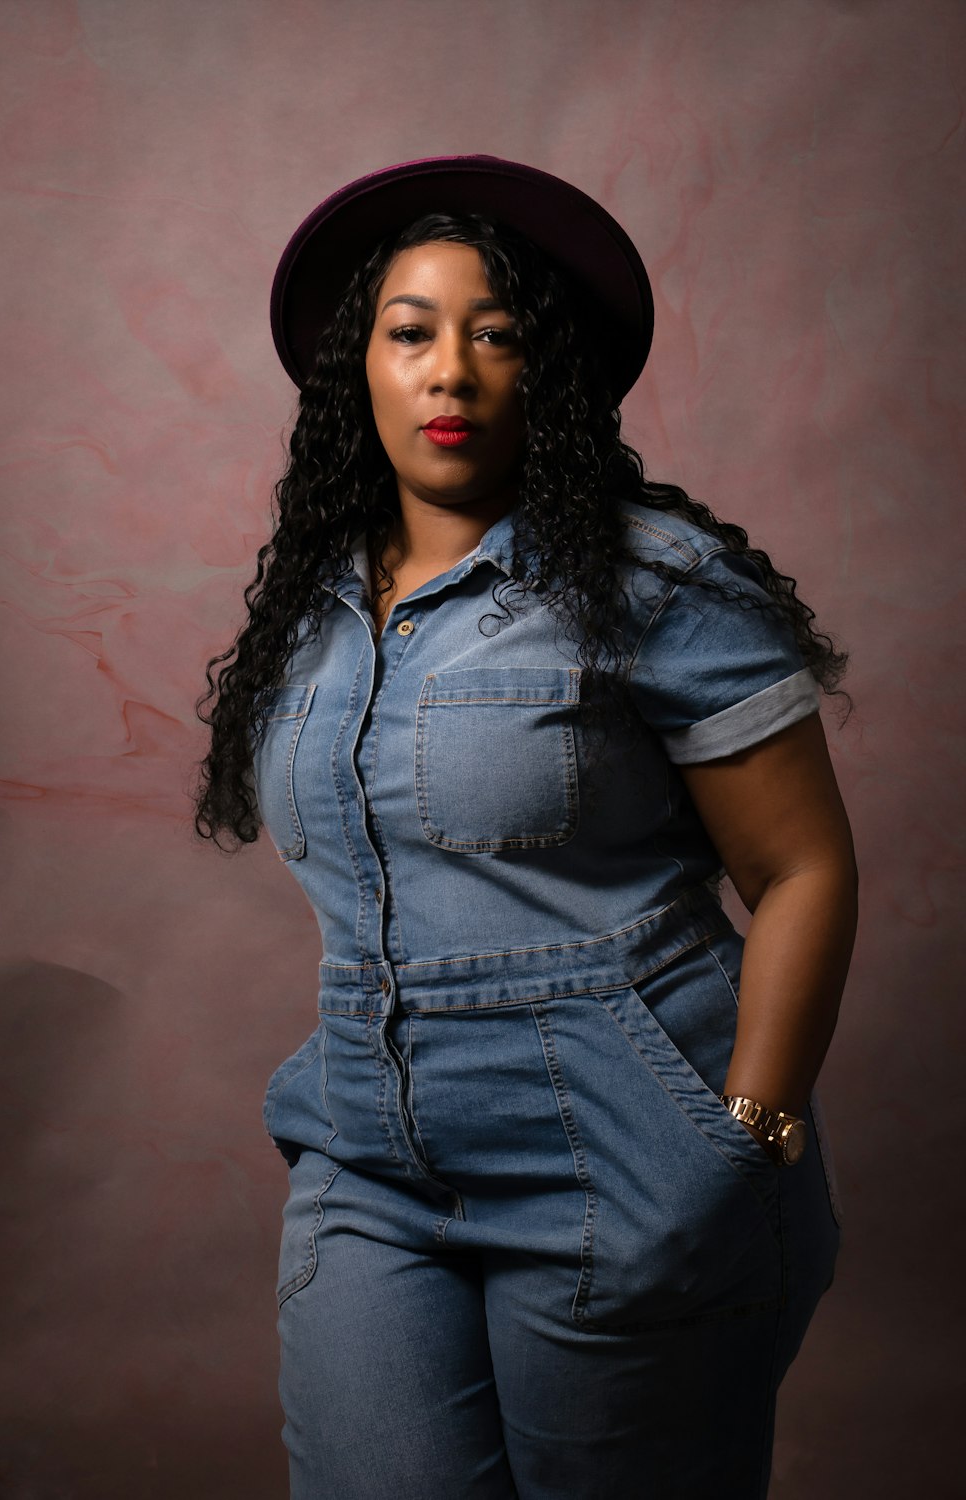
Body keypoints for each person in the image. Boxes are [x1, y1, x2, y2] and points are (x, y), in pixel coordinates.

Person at [193, 156, 858, 1500]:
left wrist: (750, 1133)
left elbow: (801, 867)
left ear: (546, 372)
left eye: (496, 335)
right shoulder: (312, 612)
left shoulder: (653, 583)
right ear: (356, 370)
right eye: (411, 332)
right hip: (371, 1167)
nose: (452, 371)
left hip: (623, 1166)